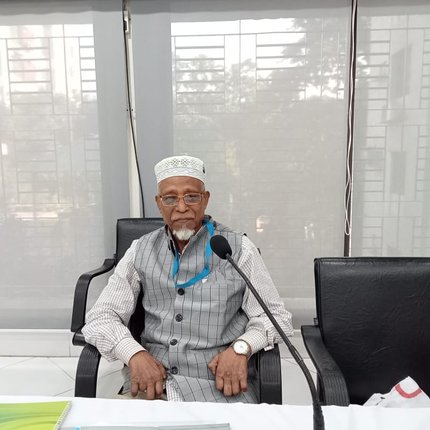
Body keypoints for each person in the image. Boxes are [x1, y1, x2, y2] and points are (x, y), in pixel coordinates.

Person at [82, 155, 293, 403]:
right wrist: (135, 354)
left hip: (220, 385)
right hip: (154, 384)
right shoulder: (140, 249)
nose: (182, 207)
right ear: (159, 203)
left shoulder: (238, 248)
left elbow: (276, 317)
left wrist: (241, 348)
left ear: (205, 199)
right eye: (170, 198)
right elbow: (100, 318)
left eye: (191, 196)